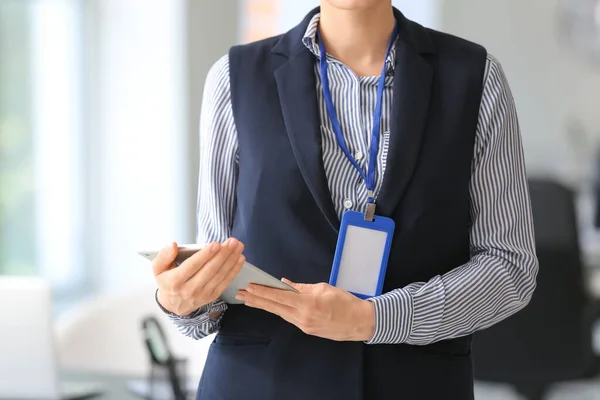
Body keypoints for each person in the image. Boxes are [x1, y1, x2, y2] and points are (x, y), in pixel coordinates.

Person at [152, 1, 539, 399]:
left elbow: (510, 268)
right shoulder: (235, 77)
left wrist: (374, 319)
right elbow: (212, 285)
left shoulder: (474, 76)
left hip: (415, 385)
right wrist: (183, 301)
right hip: (260, 385)